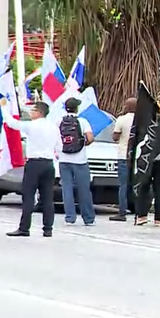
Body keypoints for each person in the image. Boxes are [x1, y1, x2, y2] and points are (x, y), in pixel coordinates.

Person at [0, 100, 61, 236]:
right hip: (48, 164)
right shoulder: (54, 128)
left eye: (32, 110)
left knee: (28, 196)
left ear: (39, 113)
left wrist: (4, 108)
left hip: (34, 163)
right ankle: (48, 229)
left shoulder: (32, 126)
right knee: (47, 197)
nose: (30, 112)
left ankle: (24, 228)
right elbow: (60, 148)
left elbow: (11, 123)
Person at [131, 103, 160, 226]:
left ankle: (141, 215)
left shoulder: (144, 123)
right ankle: (158, 219)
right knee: (159, 190)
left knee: (143, 187)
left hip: (146, 160)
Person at [57, 97, 95, 226]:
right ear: (77, 108)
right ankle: (88, 218)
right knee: (84, 189)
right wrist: (84, 144)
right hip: (80, 160)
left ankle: (70, 217)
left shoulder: (59, 121)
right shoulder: (82, 121)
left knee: (66, 188)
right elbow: (90, 137)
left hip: (63, 160)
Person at [110, 97, 136, 221]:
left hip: (123, 155)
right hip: (137, 156)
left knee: (123, 185)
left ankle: (122, 212)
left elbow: (115, 137)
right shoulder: (142, 119)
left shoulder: (121, 119)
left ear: (127, 107)